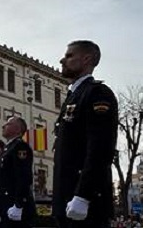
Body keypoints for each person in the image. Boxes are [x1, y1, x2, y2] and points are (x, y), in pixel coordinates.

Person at [53, 40, 118, 228]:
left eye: (69, 56)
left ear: (86, 59)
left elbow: (100, 149)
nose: (62, 60)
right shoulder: (73, 96)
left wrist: (84, 195)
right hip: (67, 199)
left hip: (86, 204)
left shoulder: (97, 93)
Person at [0, 116, 35, 228]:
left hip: (13, 205)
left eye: (8, 124)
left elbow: (24, 176)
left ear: (18, 129)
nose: (3, 126)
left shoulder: (20, 146)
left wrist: (19, 205)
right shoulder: (8, 149)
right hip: (4, 206)